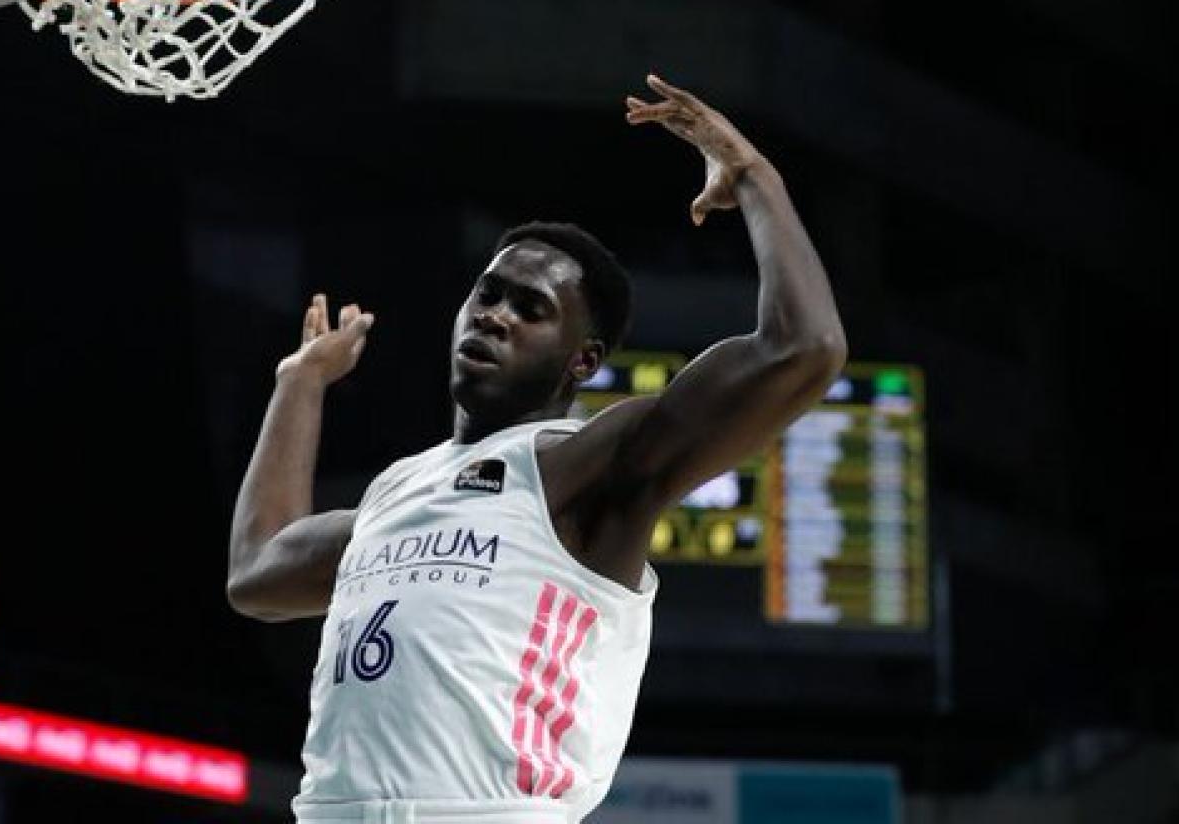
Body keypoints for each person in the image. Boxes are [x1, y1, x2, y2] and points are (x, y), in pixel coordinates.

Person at [226, 74, 846, 823]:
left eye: (530, 308)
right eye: (487, 294)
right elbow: (257, 575)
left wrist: (751, 175)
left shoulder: (585, 463)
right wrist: (299, 385)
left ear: (581, 362)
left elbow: (804, 347)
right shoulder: (397, 492)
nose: (494, 316)